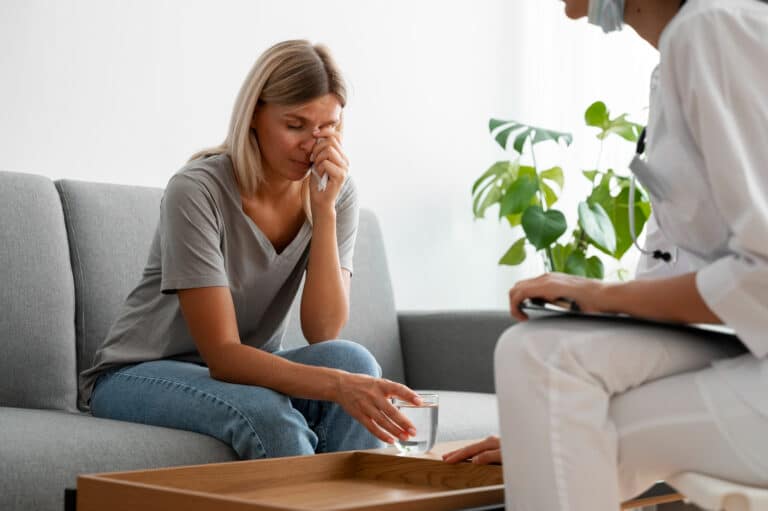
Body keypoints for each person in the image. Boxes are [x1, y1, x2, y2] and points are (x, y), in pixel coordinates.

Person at [444, 0, 768, 509]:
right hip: (749, 341)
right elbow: (684, 264)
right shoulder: (682, 54)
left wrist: (598, 294)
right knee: (536, 353)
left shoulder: (711, 29)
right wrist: (541, 431)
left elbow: (762, 276)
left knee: (547, 383)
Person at [79, 40, 422, 459]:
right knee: (268, 411)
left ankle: (347, 501)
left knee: (355, 361)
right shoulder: (197, 190)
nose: (312, 144)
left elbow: (323, 330)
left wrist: (325, 212)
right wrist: (337, 386)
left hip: (242, 373)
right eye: (295, 125)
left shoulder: (334, 191)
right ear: (255, 115)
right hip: (138, 374)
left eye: (327, 127)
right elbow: (223, 357)